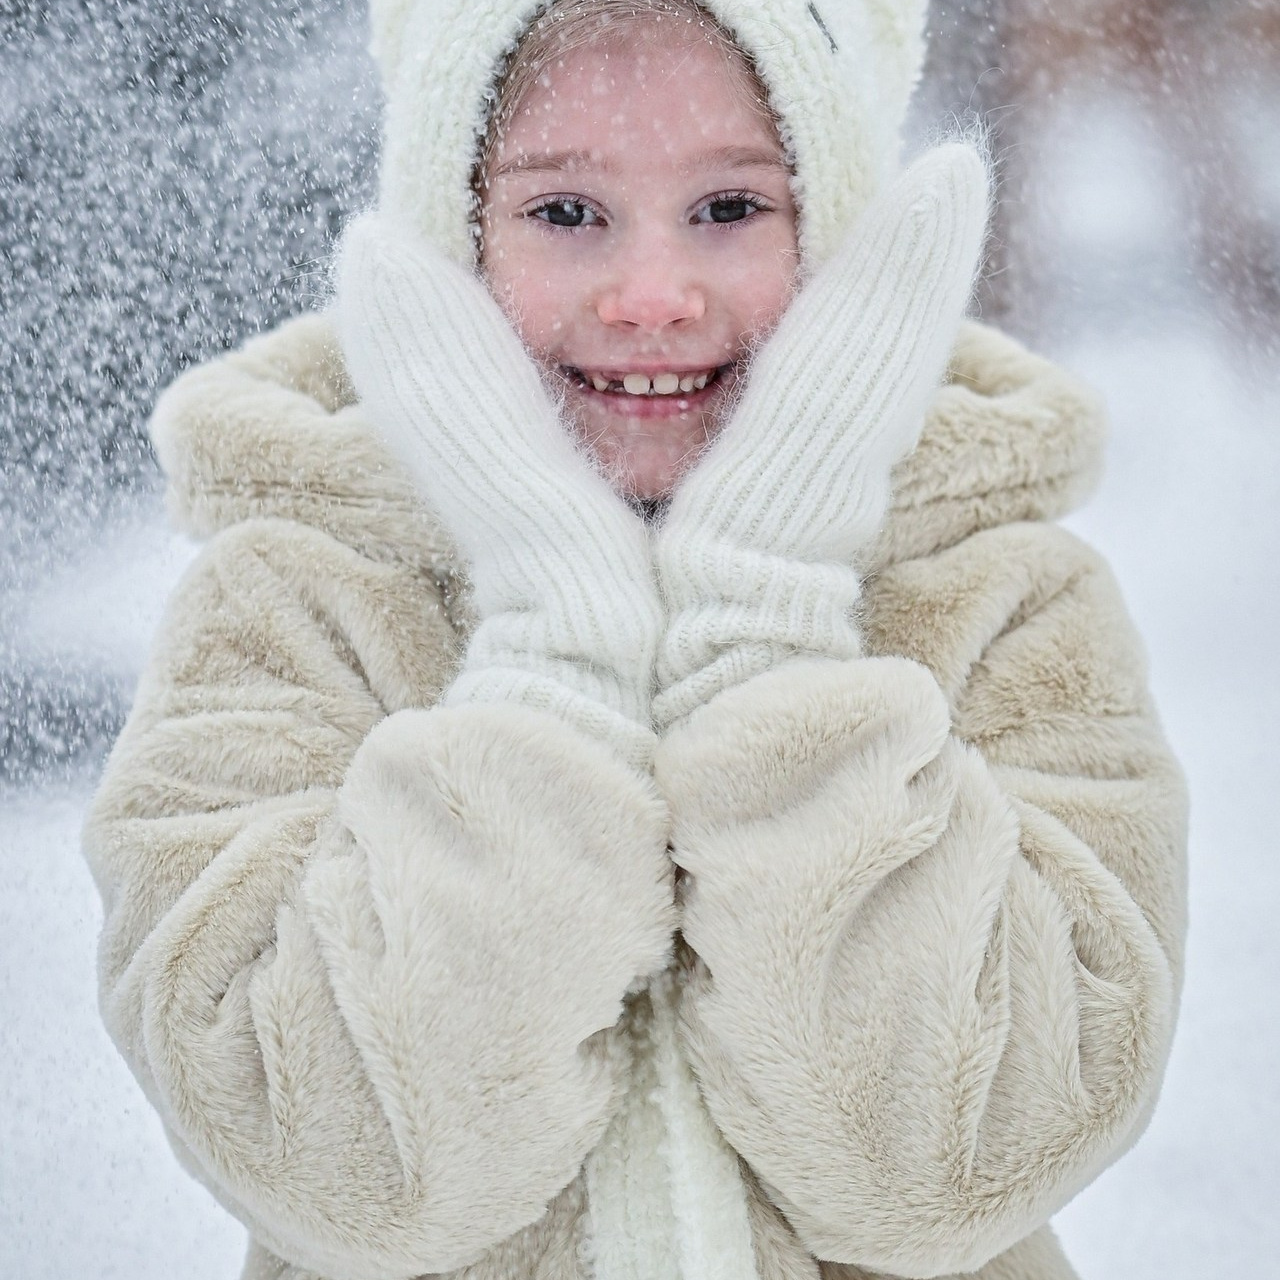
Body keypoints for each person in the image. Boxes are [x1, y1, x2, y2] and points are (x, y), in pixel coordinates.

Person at [83, 0, 1188, 1278]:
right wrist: (552, 642)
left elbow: (946, 1175)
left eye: (728, 209)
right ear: (457, 233)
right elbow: (355, 1183)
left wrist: (765, 614)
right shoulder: (289, 605)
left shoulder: (1005, 602)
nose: (653, 296)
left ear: (832, 226)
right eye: (565, 213)